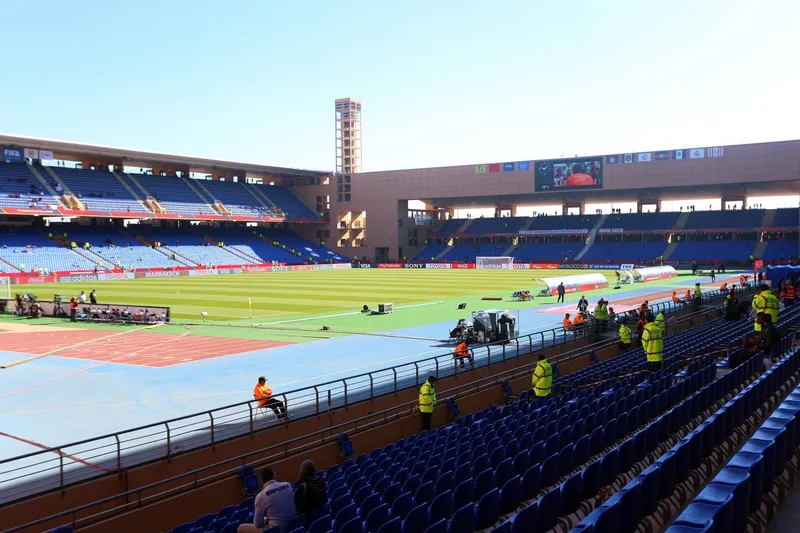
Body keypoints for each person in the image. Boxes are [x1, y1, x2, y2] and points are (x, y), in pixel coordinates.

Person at [238, 467, 297, 533]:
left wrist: (265, 518)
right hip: (293, 526)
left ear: (262, 480)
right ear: (274, 475)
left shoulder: (261, 496)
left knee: (241, 528)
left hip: (275, 530)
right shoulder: (288, 485)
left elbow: (258, 524)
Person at [294, 460, 326, 526]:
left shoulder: (304, 486)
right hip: (322, 517)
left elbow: (297, 507)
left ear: (303, 471)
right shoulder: (321, 480)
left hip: (310, 521)